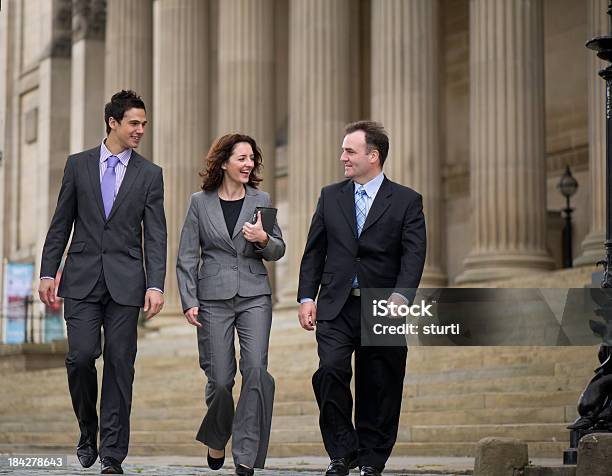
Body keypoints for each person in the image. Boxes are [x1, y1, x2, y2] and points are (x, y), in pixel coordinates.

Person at [38, 90, 167, 474]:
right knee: (79, 357)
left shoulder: (150, 174)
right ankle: (87, 428)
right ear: (112, 122)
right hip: (80, 279)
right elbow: (61, 222)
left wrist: (155, 284)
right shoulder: (78, 165)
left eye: (144, 124)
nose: (141, 130)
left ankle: (112, 453)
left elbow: (156, 235)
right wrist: (48, 271)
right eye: (134, 123)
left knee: (119, 363)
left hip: (126, 283)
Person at [297, 121, 426, 476]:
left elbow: (414, 254)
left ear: (374, 156)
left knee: (379, 384)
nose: (343, 157)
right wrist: (306, 296)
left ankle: (371, 460)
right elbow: (314, 251)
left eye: (350, 151)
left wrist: (403, 294)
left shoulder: (406, 201)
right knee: (330, 371)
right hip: (335, 305)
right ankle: (342, 451)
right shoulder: (330, 196)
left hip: (383, 304)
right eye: (343, 151)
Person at [176, 133, 285, 476]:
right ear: (224, 162)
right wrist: (189, 300)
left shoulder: (261, 198)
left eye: (252, 158)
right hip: (212, 299)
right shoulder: (199, 202)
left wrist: (263, 239)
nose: (248, 164)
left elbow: (278, 249)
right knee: (221, 379)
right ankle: (217, 434)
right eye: (241, 158)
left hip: (254, 294)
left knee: (255, 369)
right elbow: (186, 255)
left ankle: (246, 453)